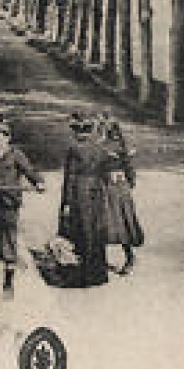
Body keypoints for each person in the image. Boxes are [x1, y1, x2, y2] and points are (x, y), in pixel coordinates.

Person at [0, 119, 45, 299]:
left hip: (10, 203)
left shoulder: (16, 155)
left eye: (0, 138)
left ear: (7, 138)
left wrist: (39, 182)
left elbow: (30, 171)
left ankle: (9, 284)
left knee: (9, 240)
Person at [59, 113, 112, 287]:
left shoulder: (74, 149)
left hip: (80, 192)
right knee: (95, 231)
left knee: (81, 231)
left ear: (77, 132)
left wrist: (66, 202)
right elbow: (106, 174)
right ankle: (99, 274)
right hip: (97, 192)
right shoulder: (100, 148)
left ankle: (83, 276)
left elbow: (70, 177)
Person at [100, 117, 145, 275]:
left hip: (116, 188)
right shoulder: (102, 146)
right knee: (108, 222)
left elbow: (127, 166)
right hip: (111, 187)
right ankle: (104, 260)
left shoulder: (115, 146)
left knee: (121, 222)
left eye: (107, 129)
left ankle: (129, 257)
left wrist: (126, 181)